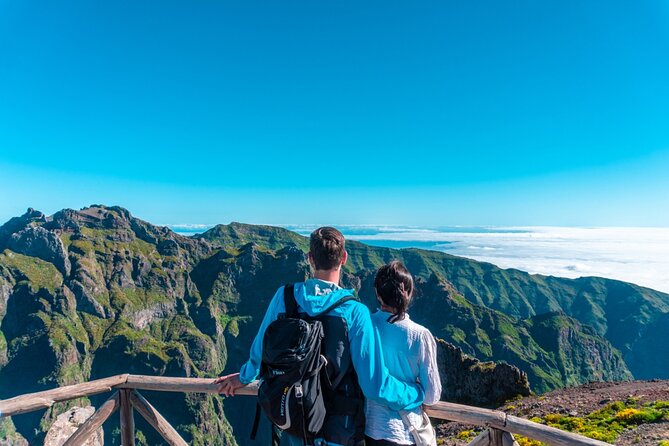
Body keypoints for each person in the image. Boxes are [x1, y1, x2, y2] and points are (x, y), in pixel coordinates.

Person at [215, 227, 424, 446]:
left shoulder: (284, 297)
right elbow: (375, 385)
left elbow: (260, 350)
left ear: (310, 258)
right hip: (338, 429)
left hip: (294, 421)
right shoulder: (355, 312)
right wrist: (416, 393)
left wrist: (243, 377)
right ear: (344, 258)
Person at [365, 261, 442, 446]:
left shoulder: (364, 327)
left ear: (377, 293)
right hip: (404, 432)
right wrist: (416, 387)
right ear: (408, 293)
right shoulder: (420, 335)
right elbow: (432, 396)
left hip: (367, 428)